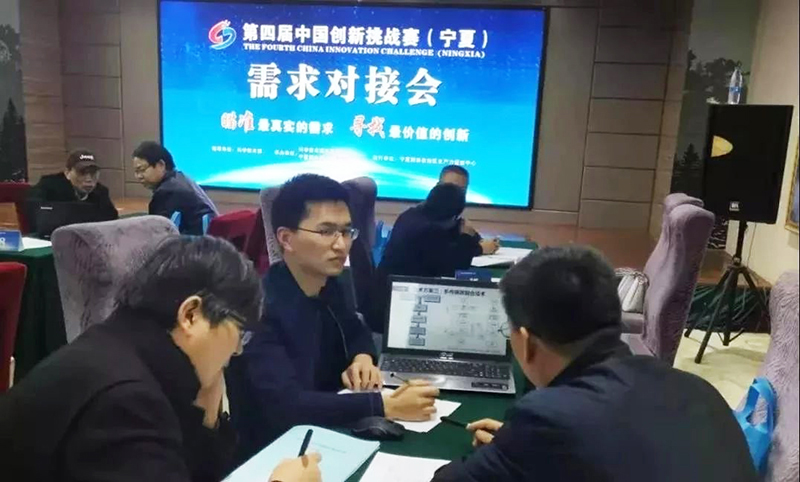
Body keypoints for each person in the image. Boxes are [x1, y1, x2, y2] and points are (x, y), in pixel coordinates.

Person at [0, 236, 320, 482]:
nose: (237, 351)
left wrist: (209, 415)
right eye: (240, 332)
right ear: (191, 314)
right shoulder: (126, 399)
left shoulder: (123, 345)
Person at [431, 246, 757, 482]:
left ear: (527, 342)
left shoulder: (547, 417)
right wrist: (519, 449)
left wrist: (512, 448)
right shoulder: (697, 388)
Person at [226, 174, 439, 461]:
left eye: (347, 231)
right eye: (326, 232)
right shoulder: (259, 310)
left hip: (329, 431)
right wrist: (383, 406)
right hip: (275, 453)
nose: (341, 245)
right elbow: (286, 406)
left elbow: (355, 330)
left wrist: (362, 358)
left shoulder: (329, 284)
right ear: (286, 239)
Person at [132, 141, 218, 235]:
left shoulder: (167, 192)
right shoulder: (181, 178)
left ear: (161, 165)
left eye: (142, 170)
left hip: (196, 242)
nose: (138, 176)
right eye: (136, 172)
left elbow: (158, 236)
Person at [26, 149, 118, 230]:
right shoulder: (48, 186)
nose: (89, 179)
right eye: (82, 172)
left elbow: (111, 220)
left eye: (93, 173)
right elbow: (35, 214)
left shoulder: (101, 191)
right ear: (67, 173)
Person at [438, 165, 499, 256]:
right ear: (438, 186)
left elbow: (471, 241)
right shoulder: (426, 216)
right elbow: (439, 252)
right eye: (451, 188)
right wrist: (480, 249)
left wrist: (484, 242)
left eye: (462, 190)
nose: (457, 194)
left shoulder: (454, 216)